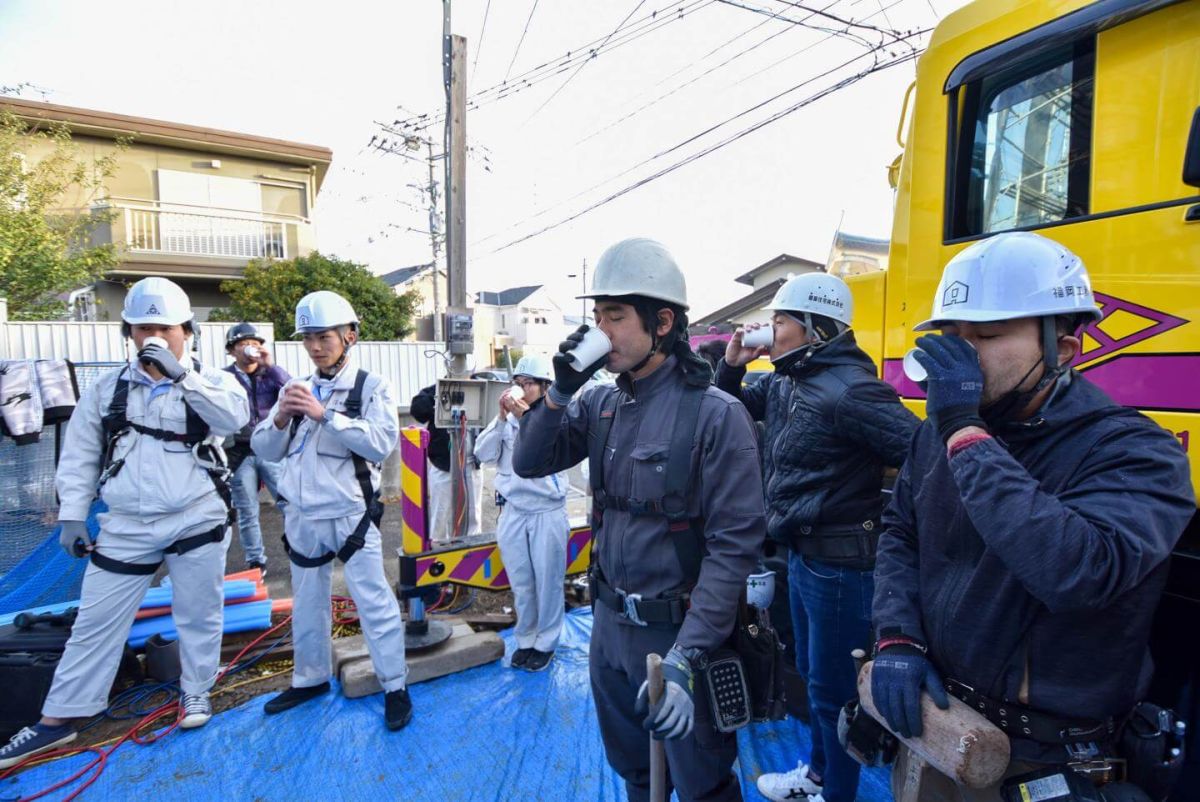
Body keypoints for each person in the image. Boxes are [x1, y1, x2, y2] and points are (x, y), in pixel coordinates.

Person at [871, 232, 1194, 800]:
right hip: (941, 726)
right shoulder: (939, 432)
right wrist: (897, 637)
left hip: (1047, 760)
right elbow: (901, 531)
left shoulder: (1137, 452)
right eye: (952, 337)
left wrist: (966, 435)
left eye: (987, 336)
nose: (960, 358)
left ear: (1063, 351)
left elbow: (1078, 572)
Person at [514, 238, 766, 802]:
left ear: (663, 322)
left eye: (615, 316)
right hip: (609, 629)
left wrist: (687, 656)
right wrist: (556, 394)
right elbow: (529, 462)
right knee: (634, 770)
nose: (600, 331)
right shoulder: (601, 403)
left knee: (703, 781)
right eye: (597, 315)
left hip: (678, 633)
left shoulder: (716, 415)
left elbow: (733, 550)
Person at [0, 277, 249, 769]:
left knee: (199, 614)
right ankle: (60, 718)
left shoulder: (213, 382)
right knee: (94, 622)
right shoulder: (108, 389)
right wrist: (72, 515)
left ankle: (196, 690)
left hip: (196, 515)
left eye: (164, 328)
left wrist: (182, 377)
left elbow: (234, 420)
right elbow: (80, 455)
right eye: (142, 329)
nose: (153, 338)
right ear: (127, 333)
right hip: (127, 525)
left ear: (187, 331)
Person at [716, 272, 920, 802]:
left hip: (842, 566)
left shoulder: (850, 390)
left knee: (834, 696)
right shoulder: (790, 380)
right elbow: (731, 404)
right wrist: (732, 364)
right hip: (804, 557)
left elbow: (922, 455)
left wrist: (889, 522)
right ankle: (819, 778)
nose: (769, 329)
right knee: (812, 676)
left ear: (812, 328)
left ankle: (833, 791)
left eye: (779, 321)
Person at [251, 291, 412, 731]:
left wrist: (325, 416)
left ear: (349, 336)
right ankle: (310, 679)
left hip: (350, 515)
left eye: (323, 336)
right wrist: (281, 417)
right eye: (308, 338)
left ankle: (395, 685)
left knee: (373, 600)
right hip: (303, 515)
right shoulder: (295, 388)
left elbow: (380, 443)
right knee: (307, 603)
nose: (315, 346)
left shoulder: (370, 387)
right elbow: (264, 448)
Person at [473, 353, 569, 673]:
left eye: (529, 384)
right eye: (518, 383)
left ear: (545, 387)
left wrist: (527, 418)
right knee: (522, 582)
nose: (522, 389)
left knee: (548, 581)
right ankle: (526, 638)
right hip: (513, 511)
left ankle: (547, 642)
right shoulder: (506, 421)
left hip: (546, 511)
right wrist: (501, 420)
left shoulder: (554, 418)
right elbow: (483, 454)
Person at [223, 322, 290, 576]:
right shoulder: (224, 377)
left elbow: (291, 388)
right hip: (240, 452)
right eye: (242, 344)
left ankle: (298, 549)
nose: (249, 348)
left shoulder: (270, 375)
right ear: (232, 350)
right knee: (247, 510)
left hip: (271, 450)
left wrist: (269, 365)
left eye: (254, 343)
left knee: (288, 503)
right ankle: (256, 561)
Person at [410, 384, 480, 542]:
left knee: (472, 519)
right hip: (444, 466)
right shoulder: (440, 388)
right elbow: (418, 410)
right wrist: (440, 395)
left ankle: (471, 558)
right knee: (440, 519)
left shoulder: (479, 388)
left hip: (471, 465)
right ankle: (439, 555)